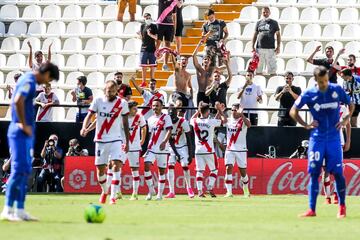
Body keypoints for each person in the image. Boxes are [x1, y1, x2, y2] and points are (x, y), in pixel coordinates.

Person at [290, 66, 355, 218]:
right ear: (315, 80)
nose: (324, 84)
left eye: (326, 80)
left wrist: (346, 119)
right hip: (317, 139)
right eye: (321, 82)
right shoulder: (309, 93)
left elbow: (351, 105)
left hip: (334, 139)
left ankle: (342, 207)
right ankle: (312, 209)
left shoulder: (337, 89)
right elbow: (293, 111)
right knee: (314, 173)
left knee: (338, 173)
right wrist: (305, 125)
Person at [0, 62, 59, 221]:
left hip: (25, 132)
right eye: (49, 79)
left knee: (25, 170)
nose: (47, 82)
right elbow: (18, 100)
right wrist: (23, 124)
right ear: (46, 73)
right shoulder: (29, 81)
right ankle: (7, 209)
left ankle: (20, 210)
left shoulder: (29, 81)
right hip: (20, 131)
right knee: (18, 170)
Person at [80, 80, 130, 205]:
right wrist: (84, 127)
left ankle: (112, 197)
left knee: (116, 165)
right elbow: (89, 116)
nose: (111, 93)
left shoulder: (122, 103)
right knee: (100, 171)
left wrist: (127, 141)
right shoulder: (98, 101)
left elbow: (125, 123)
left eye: (113, 91)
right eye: (109, 90)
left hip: (116, 139)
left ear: (116, 91)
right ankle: (105, 191)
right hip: (101, 140)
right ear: (104, 90)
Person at [190, 102, 227, 198]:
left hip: (198, 151)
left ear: (199, 111)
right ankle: (210, 187)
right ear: (209, 111)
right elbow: (225, 120)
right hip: (209, 150)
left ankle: (199, 191)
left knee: (200, 171)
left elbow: (191, 119)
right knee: (214, 170)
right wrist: (219, 110)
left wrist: (198, 111)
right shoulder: (210, 122)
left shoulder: (195, 121)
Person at [144, 99, 172, 200]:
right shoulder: (150, 119)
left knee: (161, 171)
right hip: (152, 147)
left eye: (157, 105)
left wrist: (164, 142)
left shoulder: (166, 117)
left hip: (162, 148)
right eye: (154, 106)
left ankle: (159, 194)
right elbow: (151, 134)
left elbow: (169, 130)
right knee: (146, 165)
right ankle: (151, 190)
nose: (155, 107)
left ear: (162, 107)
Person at [322, 104, 351, 204]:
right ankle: (327, 196)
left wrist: (348, 141)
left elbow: (348, 124)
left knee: (338, 169)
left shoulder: (342, 108)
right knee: (325, 169)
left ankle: (336, 194)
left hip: (338, 142)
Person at [166, 105, 194, 198]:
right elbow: (170, 140)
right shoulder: (167, 121)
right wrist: (176, 154)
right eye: (170, 117)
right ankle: (171, 191)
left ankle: (189, 188)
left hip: (182, 146)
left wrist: (190, 154)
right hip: (171, 147)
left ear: (176, 114)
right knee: (170, 165)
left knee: (185, 164)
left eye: (173, 117)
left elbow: (189, 138)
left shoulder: (183, 122)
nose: (172, 119)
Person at [224, 103, 251, 198]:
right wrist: (219, 110)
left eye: (235, 110)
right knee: (228, 168)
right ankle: (229, 192)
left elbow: (249, 125)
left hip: (241, 150)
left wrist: (242, 115)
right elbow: (221, 121)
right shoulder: (228, 120)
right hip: (230, 149)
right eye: (232, 110)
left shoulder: (243, 120)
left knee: (243, 172)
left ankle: (246, 189)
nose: (233, 112)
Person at [126, 101, 147, 200]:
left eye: (136, 108)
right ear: (129, 109)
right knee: (116, 167)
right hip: (123, 146)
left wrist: (142, 140)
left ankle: (135, 193)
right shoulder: (123, 116)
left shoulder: (139, 116)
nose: (136, 110)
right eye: (134, 108)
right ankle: (116, 193)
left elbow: (144, 127)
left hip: (134, 147)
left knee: (134, 170)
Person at [252, 7, 281, 76]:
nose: (265, 13)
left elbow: (278, 35)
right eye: (264, 12)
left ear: (269, 13)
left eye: (267, 12)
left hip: (270, 48)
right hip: (260, 48)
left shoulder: (274, 23)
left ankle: (273, 83)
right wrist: (252, 46)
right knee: (258, 69)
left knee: (272, 70)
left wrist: (278, 46)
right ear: (262, 13)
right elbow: (255, 35)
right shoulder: (258, 22)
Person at [192, 36, 215, 105]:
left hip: (209, 93)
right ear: (202, 61)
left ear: (210, 62)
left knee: (209, 113)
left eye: (208, 60)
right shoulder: (199, 69)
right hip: (201, 93)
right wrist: (199, 44)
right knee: (199, 113)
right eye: (205, 59)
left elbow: (223, 67)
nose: (206, 61)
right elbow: (193, 55)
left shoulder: (212, 69)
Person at [156, 0, 177, 71]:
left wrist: (174, 29)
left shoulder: (174, 1)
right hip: (160, 23)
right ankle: (154, 59)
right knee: (158, 42)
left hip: (170, 25)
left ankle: (165, 64)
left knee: (167, 45)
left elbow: (174, 16)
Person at [139, 13, 158, 87]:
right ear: (144, 18)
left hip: (152, 48)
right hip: (143, 48)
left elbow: (157, 37)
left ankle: (152, 81)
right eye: (146, 18)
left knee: (152, 66)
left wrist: (150, 35)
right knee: (143, 66)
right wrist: (139, 35)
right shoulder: (142, 26)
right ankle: (143, 81)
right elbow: (142, 37)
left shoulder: (154, 26)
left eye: (149, 17)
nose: (148, 19)